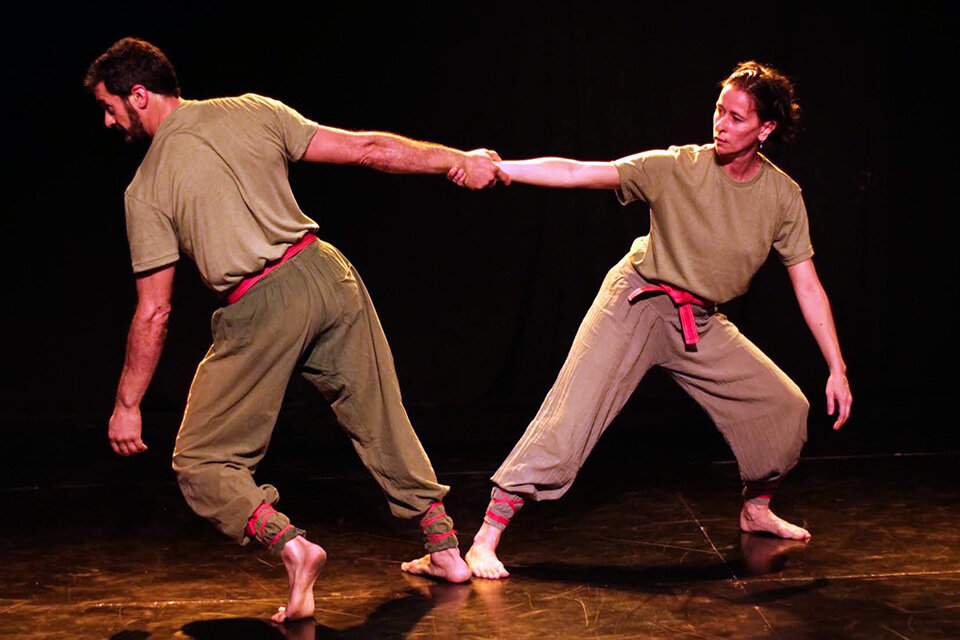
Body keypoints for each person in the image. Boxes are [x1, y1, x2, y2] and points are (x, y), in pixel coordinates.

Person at [85, 37, 509, 620]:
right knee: (379, 413)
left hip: (261, 301)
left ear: (140, 94)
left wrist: (127, 403)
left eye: (110, 107)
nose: (108, 121)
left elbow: (155, 311)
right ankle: (445, 549)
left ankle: (292, 545)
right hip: (328, 272)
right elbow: (368, 150)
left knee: (202, 460)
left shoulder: (147, 188)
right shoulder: (253, 109)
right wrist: (458, 159)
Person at [450, 61, 853, 579]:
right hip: (636, 304)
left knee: (784, 408)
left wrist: (836, 367)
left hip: (698, 320)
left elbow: (807, 282)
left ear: (765, 129)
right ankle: (485, 538)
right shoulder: (677, 166)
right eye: (718, 110)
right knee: (572, 415)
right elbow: (579, 171)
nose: (720, 124)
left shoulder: (782, 196)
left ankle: (755, 510)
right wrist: (504, 168)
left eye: (735, 117)